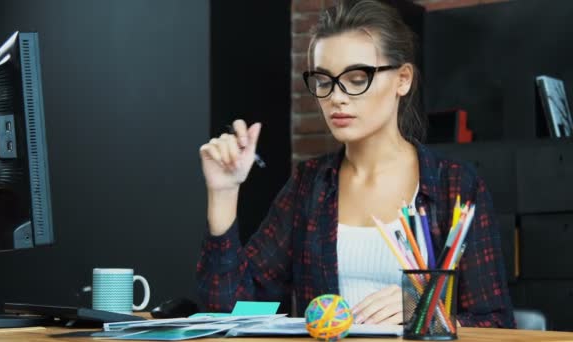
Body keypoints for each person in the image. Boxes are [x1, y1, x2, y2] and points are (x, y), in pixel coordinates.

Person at [197, 0, 515, 328]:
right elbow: (232, 312)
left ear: (402, 79)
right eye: (324, 80)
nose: (336, 97)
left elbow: (497, 322)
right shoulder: (308, 186)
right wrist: (223, 193)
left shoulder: (455, 186)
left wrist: (427, 311)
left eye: (357, 77)